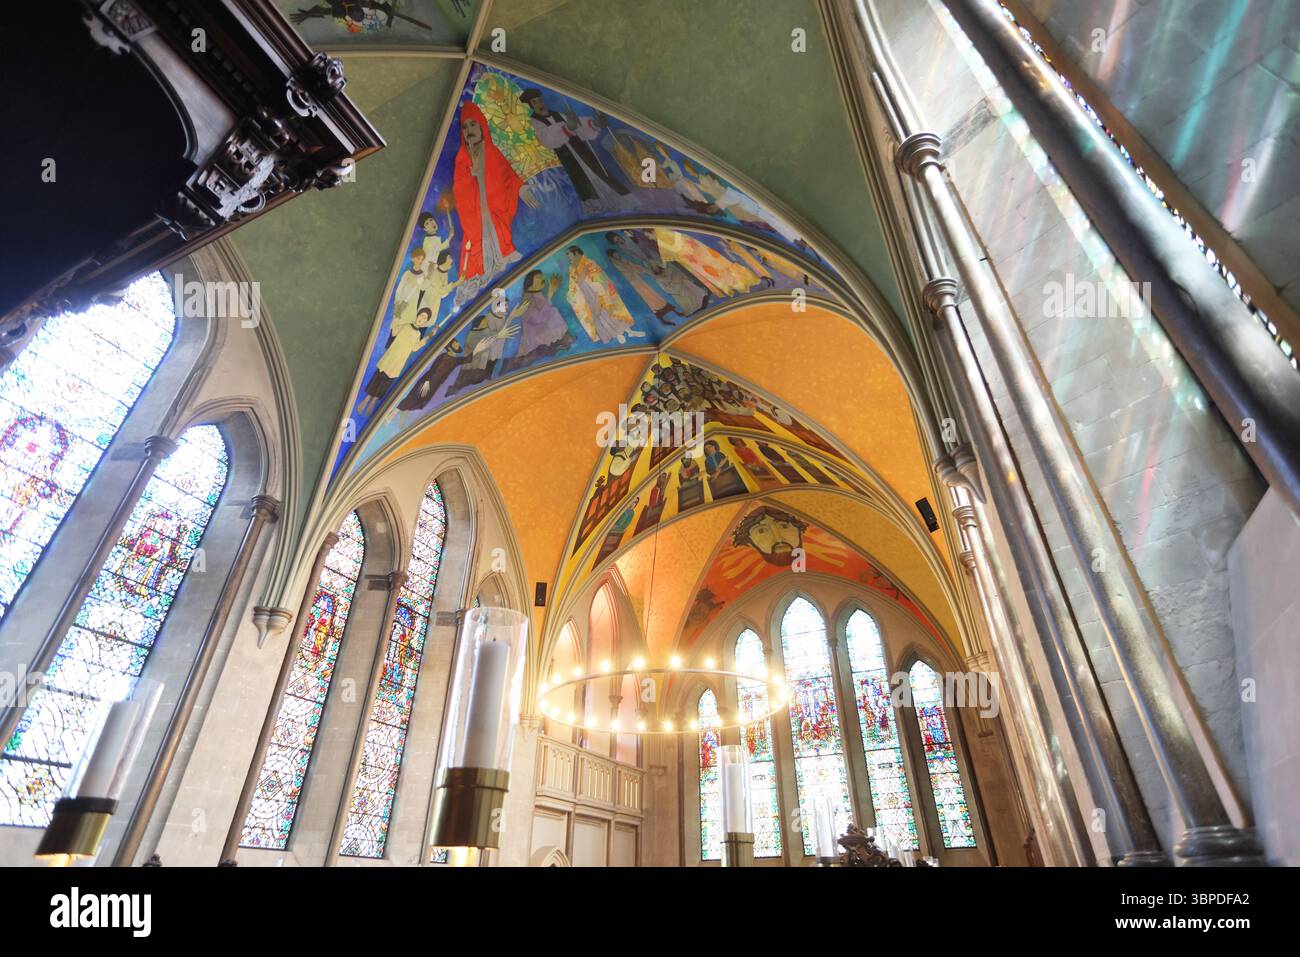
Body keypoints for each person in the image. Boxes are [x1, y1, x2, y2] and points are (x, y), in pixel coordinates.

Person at [451, 101, 532, 307]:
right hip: (475, 211)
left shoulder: (492, 151)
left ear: (482, 126)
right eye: (465, 127)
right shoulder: (462, 157)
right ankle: (481, 273)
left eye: (473, 124)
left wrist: (521, 188)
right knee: (477, 241)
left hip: (494, 207)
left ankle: (501, 256)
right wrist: (472, 175)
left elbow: (507, 175)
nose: (469, 130)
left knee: (498, 233)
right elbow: (459, 189)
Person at [520, 88, 630, 212]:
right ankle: (596, 207)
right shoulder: (535, 122)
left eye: (540, 101)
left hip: (581, 150)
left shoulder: (557, 114)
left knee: (600, 173)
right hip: (567, 157)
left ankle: (620, 202)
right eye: (535, 102)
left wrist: (595, 123)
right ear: (530, 105)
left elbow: (578, 124)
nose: (540, 104)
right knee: (583, 181)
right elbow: (546, 138)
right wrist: (566, 128)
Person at [564, 246, 646, 344]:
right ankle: (617, 334)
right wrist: (581, 277)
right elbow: (575, 284)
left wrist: (599, 293)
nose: (568, 258)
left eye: (569, 255)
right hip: (586, 295)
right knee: (600, 316)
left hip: (598, 291)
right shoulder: (572, 269)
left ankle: (629, 331)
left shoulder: (589, 262)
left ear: (576, 253)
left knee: (610, 311)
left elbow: (600, 278)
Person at [499, 270, 575, 374]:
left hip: (542, 330)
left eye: (542, 278)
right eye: (539, 278)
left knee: (554, 312)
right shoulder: (527, 299)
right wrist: (550, 294)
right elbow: (537, 319)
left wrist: (550, 293)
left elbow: (546, 311)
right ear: (530, 284)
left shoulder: (537, 294)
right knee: (553, 312)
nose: (543, 280)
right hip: (534, 335)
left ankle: (561, 340)